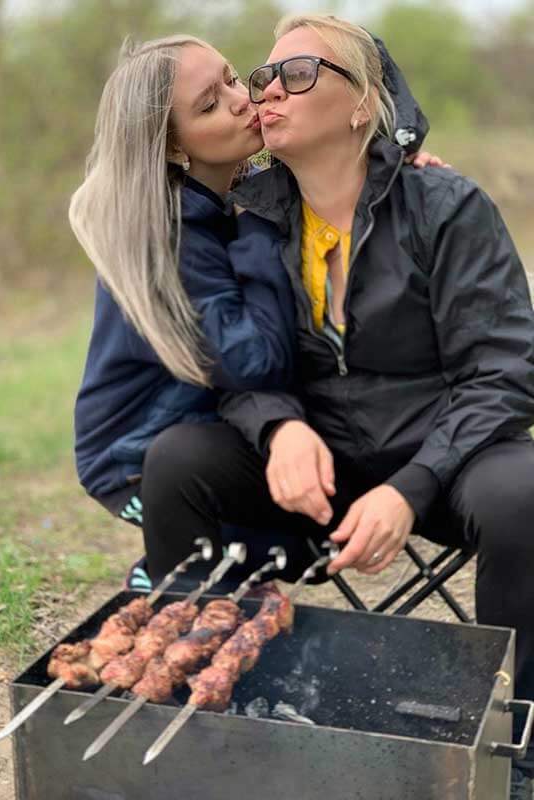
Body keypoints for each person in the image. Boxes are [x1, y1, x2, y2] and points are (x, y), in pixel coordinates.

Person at [136, 15, 534, 794]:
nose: (267, 91)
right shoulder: (249, 217)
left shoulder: (444, 206)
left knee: (525, 493)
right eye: (264, 76)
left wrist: (410, 487)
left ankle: (519, 749)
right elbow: (231, 364)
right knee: (179, 460)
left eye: (298, 73)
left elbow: (505, 370)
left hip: (443, 464)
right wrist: (278, 425)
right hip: (315, 469)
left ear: (361, 105)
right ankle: (200, 717)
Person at [69, 30, 436, 590]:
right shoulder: (170, 234)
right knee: (301, 550)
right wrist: (260, 225)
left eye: (232, 79)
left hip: (213, 420)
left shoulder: (230, 196)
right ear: (173, 148)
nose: (243, 100)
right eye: (209, 105)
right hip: (139, 458)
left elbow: (362, 87)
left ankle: (219, 567)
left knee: (303, 526)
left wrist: (396, 162)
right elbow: (256, 361)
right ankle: (169, 581)